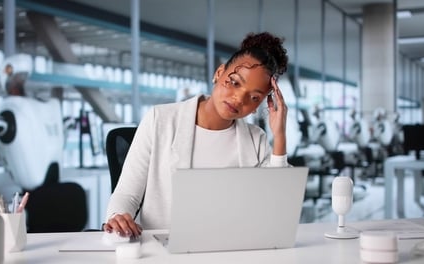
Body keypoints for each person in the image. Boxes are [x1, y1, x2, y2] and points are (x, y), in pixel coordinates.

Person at [103, 32, 289, 238]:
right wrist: (118, 217)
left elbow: (276, 208)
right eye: (235, 82)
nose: (238, 98)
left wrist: (279, 135)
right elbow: (127, 194)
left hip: (230, 248)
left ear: (258, 105)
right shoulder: (160, 119)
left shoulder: (256, 139)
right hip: (164, 250)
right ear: (219, 73)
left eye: (254, 97)